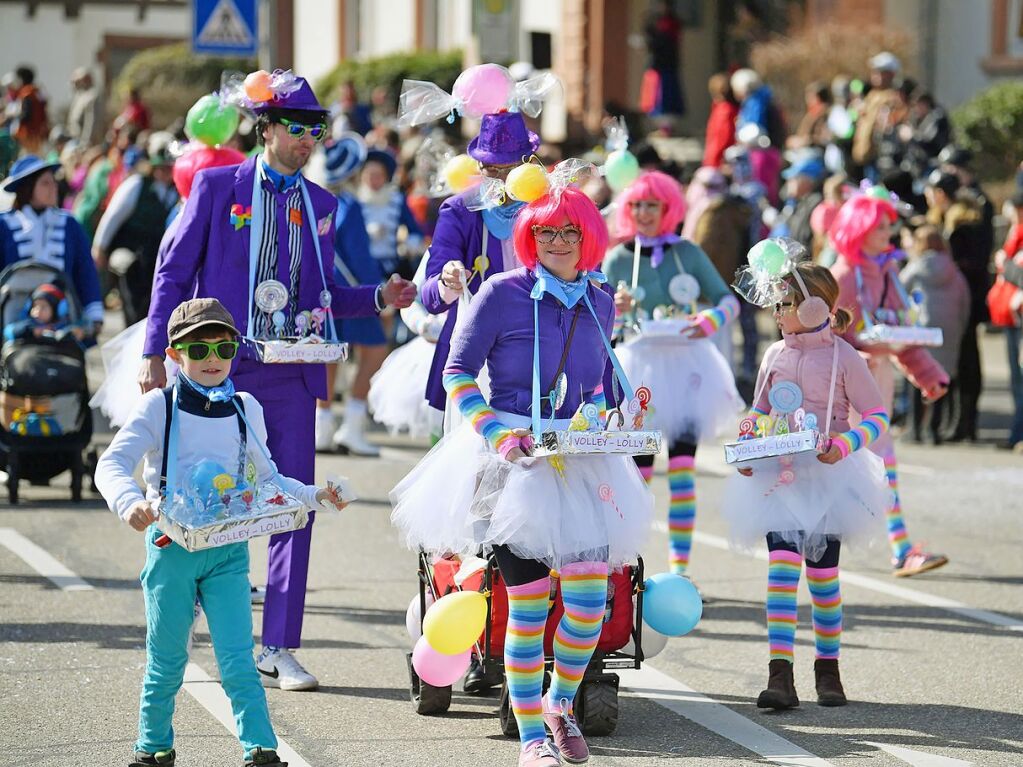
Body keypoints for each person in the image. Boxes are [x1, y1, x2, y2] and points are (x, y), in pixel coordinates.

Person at [138, 72, 416, 691]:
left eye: (315, 129)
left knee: (292, 505)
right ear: (265, 129)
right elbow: (174, 269)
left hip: (292, 370)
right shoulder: (217, 186)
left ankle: (280, 644)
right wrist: (157, 349)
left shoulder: (323, 205)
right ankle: (179, 612)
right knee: (193, 493)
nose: (307, 140)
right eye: (296, 128)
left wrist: (378, 295)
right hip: (216, 362)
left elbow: (324, 293)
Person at [391, 187, 653, 767]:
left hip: (581, 460)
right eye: (546, 233)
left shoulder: (601, 299)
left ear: (590, 237)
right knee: (528, 605)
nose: (558, 243)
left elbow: (601, 387)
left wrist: (625, 407)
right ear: (528, 238)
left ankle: (560, 706)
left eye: (570, 232)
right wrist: (496, 434)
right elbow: (458, 373)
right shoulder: (500, 293)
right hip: (512, 465)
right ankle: (532, 736)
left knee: (588, 605)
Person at [96, 297, 347, 767]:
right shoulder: (160, 405)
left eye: (224, 347)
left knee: (237, 660)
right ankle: (153, 748)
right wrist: (129, 502)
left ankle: (261, 750)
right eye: (198, 349)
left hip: (228, 551)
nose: (213, 359)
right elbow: (111, 463)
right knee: (167, 660)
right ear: (174, 355)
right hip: (172, 548)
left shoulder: (244, 406)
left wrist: (315, 496)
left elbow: (269, 480)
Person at [723, 261, 891, 711]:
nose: (776, 313)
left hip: (829, 482)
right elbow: (759, 410)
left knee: (822, 579)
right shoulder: (773, 355)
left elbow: (877, 415)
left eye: (784, 304)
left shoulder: (844, 356)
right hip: (779, 479)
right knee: (780, 575)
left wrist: (845, 443)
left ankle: (828, 670)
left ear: (815, 306)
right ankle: (780, 676)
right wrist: (748, 444)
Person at [603, 171, 743, 578]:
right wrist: (616, 310)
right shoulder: (616, 258)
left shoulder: (688, 252)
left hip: (687, 370)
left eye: (653, 205)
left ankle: (680, 572)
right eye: (637, 205)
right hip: (638, 372)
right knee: (637, 474)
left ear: (669, 209)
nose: (644, 213)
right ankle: (627, 568)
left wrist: (711, 319)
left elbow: (726, 300)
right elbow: (595, 321)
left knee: (683, 471)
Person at [829, 190, 950, 577]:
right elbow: (826, 338)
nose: (888, 233)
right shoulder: (844, 276)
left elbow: (903, 333)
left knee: (884, 467)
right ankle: (813, 549)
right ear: (858, 229)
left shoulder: (887, 274)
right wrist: (861, 352)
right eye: (879, 227)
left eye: (889, 226)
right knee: (837, 472)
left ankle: (901, 549)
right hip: (840, 394)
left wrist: (929, 376)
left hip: (876, 387)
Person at [420, 111, 539, 424]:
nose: (498, 177)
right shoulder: (459, 210)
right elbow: (431, 296)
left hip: (536, 354)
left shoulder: (546, 209)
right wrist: (448, 281)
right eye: (490, 168)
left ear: (526, 165)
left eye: (508, 167)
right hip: (474, 359)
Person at [316, 134, 391, 456]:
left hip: (321, 291)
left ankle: (322, 428)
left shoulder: (314, 199)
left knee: (329, 356)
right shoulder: (348, 205)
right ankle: (352, 425)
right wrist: (381, 295)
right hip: (351, 292)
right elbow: (359, 256)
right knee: (374, 351)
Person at [0, 155, 105, 329]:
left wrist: (94, 315)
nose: (54, 187)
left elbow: (85, 270)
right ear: (28, 187)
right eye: (45, 183)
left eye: (53, 182)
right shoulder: (3, 224)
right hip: (12, 316)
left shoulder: (69, 223)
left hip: (62, 313)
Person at [92, 138, 179, 325]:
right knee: (131, 272)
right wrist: (100, 247)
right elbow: (112, 216)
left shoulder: (176, 193)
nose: (165, 173)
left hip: (155, 256)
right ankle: (131, 325)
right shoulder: (137, 184)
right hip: (127, 249)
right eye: (161, 168)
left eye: (169, 168)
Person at [900, 225, 970, 444]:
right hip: (948, 330)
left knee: (917, 374)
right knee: (940, 376)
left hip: (921, 329)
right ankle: (933, 429)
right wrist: (959, 328)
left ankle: (914, 427)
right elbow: (965, 302)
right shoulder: (954, 271)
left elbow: (898, 291)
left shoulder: (915, 267)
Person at [852, 52, 905, 179]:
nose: (875, 75)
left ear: (891, 74)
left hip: (880, 159)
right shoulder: (873, 95)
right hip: (866, 156)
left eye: (880, 72)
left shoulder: (893, 97)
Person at [3, 282, 89, 344]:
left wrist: (76, 333)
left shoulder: (63, 326)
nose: (38, 311)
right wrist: (32, 332)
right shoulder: (29, 324)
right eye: (35, 306)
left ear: (58, 310)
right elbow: (9, 331)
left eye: (43, 307)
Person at [10, 66, 49, 155]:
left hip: (28, 134)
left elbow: (26, 115)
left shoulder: (26, 93)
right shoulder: (38, 91)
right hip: (39, 133)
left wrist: (14, 119)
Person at [702, 73, 736, 168]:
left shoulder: (724, 111)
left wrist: (713, 161)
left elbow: (722, 138)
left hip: (718, 161)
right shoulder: (722, 109)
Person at [66, 67, 104, 147]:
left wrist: (85, 143)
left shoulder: (92, 96)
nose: (75, 84)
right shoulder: (80, 96)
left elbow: (91, 123)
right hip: (75, 140)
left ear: (87, 80)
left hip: (85, 143)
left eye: (77, 81)